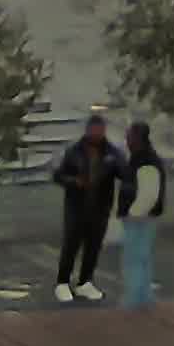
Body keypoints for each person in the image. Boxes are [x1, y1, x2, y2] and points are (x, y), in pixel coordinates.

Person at [48, 113, 121, 303]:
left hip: (100, 208)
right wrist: (74, 182)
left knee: (93, 246)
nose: (97, 133)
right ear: (88, 130)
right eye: (94, 129)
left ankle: (85, 282)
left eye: (101, 130)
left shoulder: (111, 153)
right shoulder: (74, 151)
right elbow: (58, 175)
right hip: (76, 207)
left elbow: (124, 171)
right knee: (71, 245)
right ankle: (62, 282)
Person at [117, 121, 168, 309]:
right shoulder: (141, 159)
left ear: (138, 139)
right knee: (141, 258)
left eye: (129, 136)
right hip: (142, 218)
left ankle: (134, 300)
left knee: (134, 259)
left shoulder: (145, 161)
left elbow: (148, 194)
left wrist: (133, 213)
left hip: (139, 219)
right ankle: (143, 298)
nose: (126, 140)